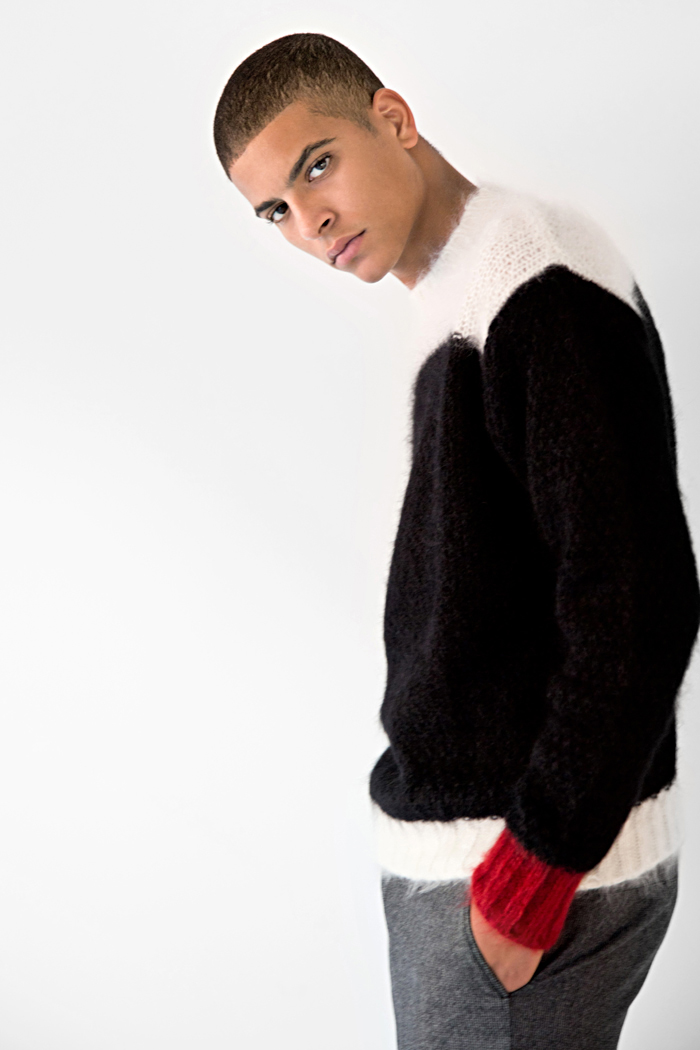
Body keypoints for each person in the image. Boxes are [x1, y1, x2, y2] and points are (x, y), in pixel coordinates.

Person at [213, 31, 700, 1049]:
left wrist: (538, 868)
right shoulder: (466, 284)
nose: (309, 221)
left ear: (392, 119)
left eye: (316, 166)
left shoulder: (536, 286)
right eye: (275, 211)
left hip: (517, 874)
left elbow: (638, 599)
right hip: (491, 859)